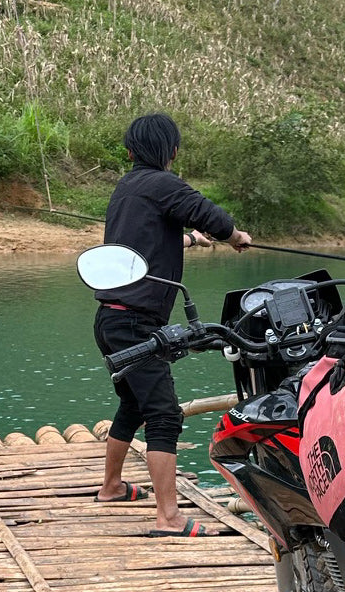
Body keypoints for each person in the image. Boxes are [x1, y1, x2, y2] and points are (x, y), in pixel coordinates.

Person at [93, 112, 251, 537]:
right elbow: (210, 216)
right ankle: (169, 516)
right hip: (136, 325)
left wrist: (188, 239)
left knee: (133, 404)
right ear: (172, 150)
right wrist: (233, 236)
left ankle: (111, 487)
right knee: (164, 417)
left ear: (130, 151)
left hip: (110, 318)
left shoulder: (126, 187)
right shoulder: (164, 184)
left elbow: (139, 243)